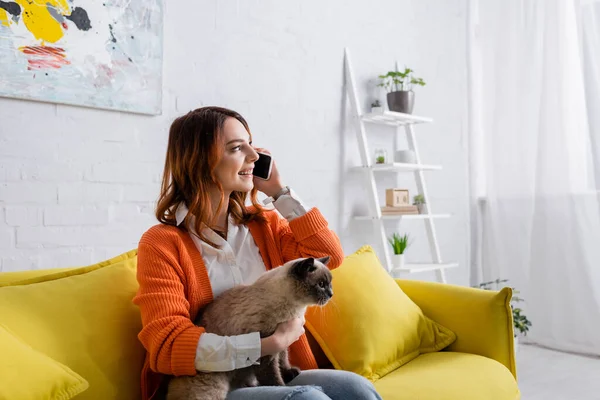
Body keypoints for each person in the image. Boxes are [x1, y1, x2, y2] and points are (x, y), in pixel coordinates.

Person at [133, 106, 382, 400]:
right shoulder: (162, 243)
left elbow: (328, 255)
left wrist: (279, 192)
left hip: (268, 373)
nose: (254, 156)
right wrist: (267, 345)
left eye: (252, 145)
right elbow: (168, 345)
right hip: (211, 387)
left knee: (358, 390)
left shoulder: (264, 225)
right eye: (238, 148)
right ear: (200, 161)